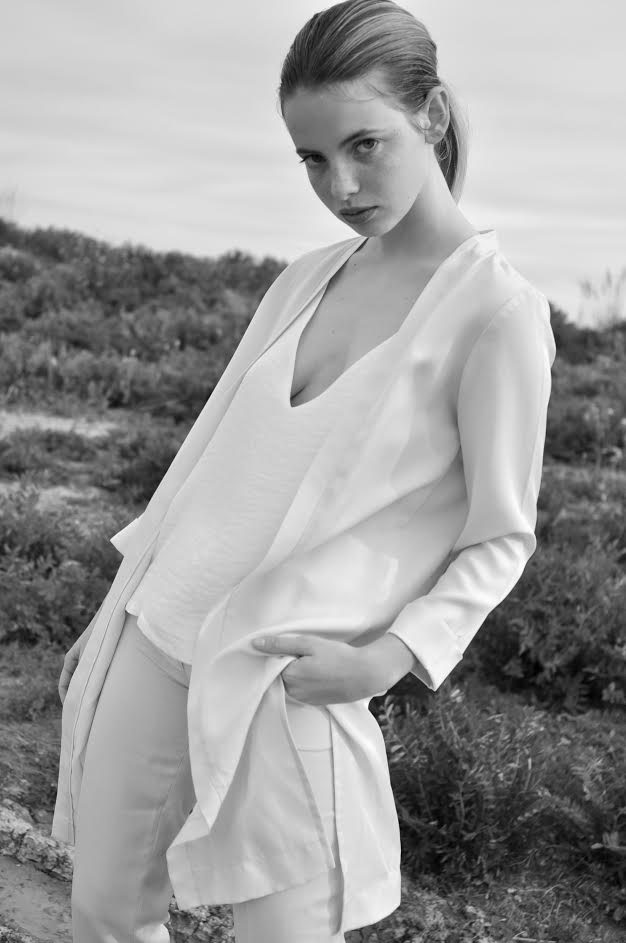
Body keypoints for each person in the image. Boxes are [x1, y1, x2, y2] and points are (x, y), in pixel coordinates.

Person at [54, 1, 556, 941]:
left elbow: (500, 534)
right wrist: (112, 612)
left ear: (432, 116)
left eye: (365, 145)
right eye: (314, 159)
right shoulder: (309, 275)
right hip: (157, 633)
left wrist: (390, 656)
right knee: (104, 912)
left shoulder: (495, 313)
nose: (342, 185)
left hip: (284, 679)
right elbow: (211, 461)